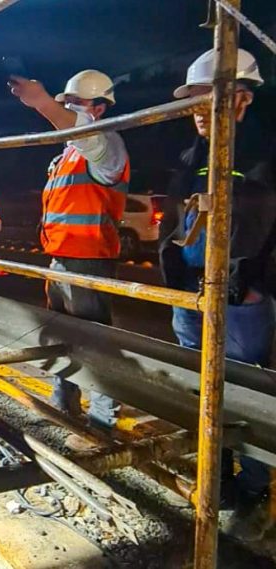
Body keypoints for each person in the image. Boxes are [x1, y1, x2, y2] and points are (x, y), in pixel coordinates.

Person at [160, 48, 276, 542]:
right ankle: (217, 475)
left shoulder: (264, 156)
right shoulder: (191, 156)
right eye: (193, 103)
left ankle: (251, 485)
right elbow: (176, 217)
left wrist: (256, 286)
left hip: (241, 297)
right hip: (193, 294)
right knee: (202, 389)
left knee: (245, 393)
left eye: (206, 99)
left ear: (242, 99)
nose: (198, 113)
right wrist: (173, 270)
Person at [9, 70, 129, 438]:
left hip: (88, 258)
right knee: (63, 339)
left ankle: (102, 422)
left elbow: (82, 133)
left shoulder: (106, 145)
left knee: (93, 344)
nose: (70, 111)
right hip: (62, 259)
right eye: (68, 104)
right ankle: (65, 409)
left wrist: (43, 103)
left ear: (100, 107)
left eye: (77, 105)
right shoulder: (66, 155)